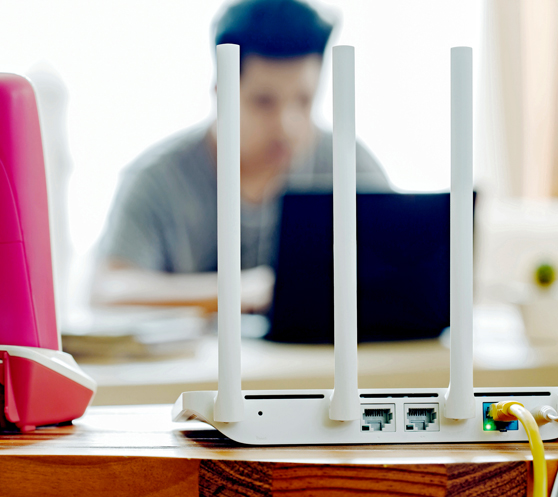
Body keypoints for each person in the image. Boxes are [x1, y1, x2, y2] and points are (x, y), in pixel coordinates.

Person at [91, 0, 390, 312]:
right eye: (263, 102)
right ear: (221, 92)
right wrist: (237, 291)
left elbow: (401, 269)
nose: (286, 126)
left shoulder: (347, 164)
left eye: (303, 100)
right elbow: (109, 287)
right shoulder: (159, 178)